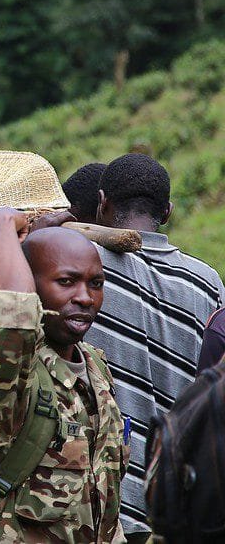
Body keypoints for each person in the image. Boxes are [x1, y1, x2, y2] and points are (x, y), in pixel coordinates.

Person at [0, 208, 128, 542]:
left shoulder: (95, 365)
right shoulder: (10, 375)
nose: (85, 297)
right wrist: (2, 225)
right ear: (30, 287)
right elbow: (14, 322)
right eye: (66, 282)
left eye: (95, 284)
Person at [84, 153, 225, 541]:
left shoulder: (84, 265)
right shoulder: (208, 283)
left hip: (98, 496)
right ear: (168, 211)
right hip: (169, 492)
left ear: (102, 202)